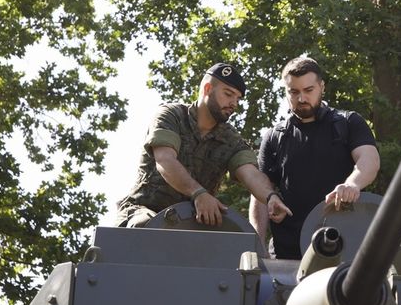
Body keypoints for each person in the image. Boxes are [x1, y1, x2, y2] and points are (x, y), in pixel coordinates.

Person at [114, 62, 292, 228]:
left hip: (194, 221)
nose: (233, 103)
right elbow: (165, 160)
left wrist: (270, 196)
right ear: (207, 88)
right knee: (144, 227)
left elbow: (251, 175)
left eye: (237, 99)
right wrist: (198, 193)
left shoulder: (231, 140)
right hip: (144, 210)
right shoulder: (172, 116)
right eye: (228, 94)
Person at [250, 56, 381, 259]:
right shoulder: (275, 137)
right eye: (294, 92)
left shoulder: (348, 123)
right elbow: (259, 193)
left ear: (322, 87)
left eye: (308, 90)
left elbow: (369, 161)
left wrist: (352, 185)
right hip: (286, 255)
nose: (301, 98)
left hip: (341, 250)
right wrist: (256, 245)